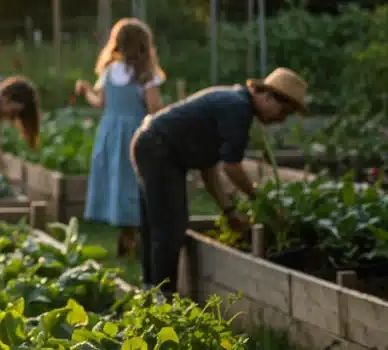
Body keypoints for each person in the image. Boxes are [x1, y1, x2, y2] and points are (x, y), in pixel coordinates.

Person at [131, 67, 307, 294]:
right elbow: (231, 167)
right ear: (266, 95)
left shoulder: (234, 102)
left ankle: (150, 291)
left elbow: (209, 168)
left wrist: (228, 210)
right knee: (169, 227)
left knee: (158, 225)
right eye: (282, 112)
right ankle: (162, 299)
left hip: (150, 143)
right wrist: (257, 197)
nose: (280, 120)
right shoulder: (239, 109)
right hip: (158, 149)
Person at [76, 18, 166, 259]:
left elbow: (100, 103)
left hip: (110, 132)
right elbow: (154, 108)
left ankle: (126, 232)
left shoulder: (109, 72)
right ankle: (134, 233)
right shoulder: (146, 76)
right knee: (135, 181)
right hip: (135, 133)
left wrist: (86, 92)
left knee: (117, 179)